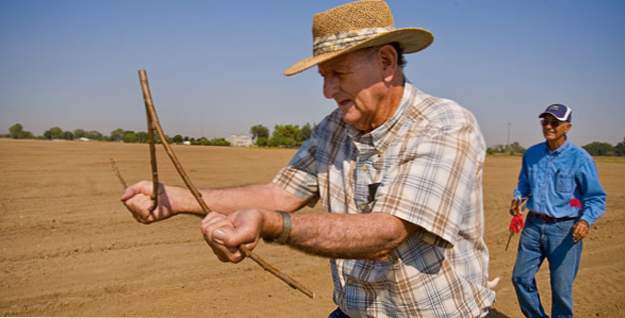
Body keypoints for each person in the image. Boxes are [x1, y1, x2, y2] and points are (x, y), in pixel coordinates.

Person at [122, 1, 495, 316]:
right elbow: (279, 195)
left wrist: (272, 225)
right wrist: (176, 200)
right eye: (323, 75)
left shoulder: (445, 125)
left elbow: (387, 233)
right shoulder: (333, 129)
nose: (327, 90)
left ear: (385, 62)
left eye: (338, 73)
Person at [510, 104, 606, 318]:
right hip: (533, 227)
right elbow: (524, 185)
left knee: (561, 290)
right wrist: (518, 198)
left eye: (555, 122)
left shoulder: (580, 158)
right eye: (545, 121)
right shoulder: (532, 154)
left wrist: (585, 221)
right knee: (520, 278)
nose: (549, 126)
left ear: (567, 127)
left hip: (564, 230)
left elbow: (596, 198)